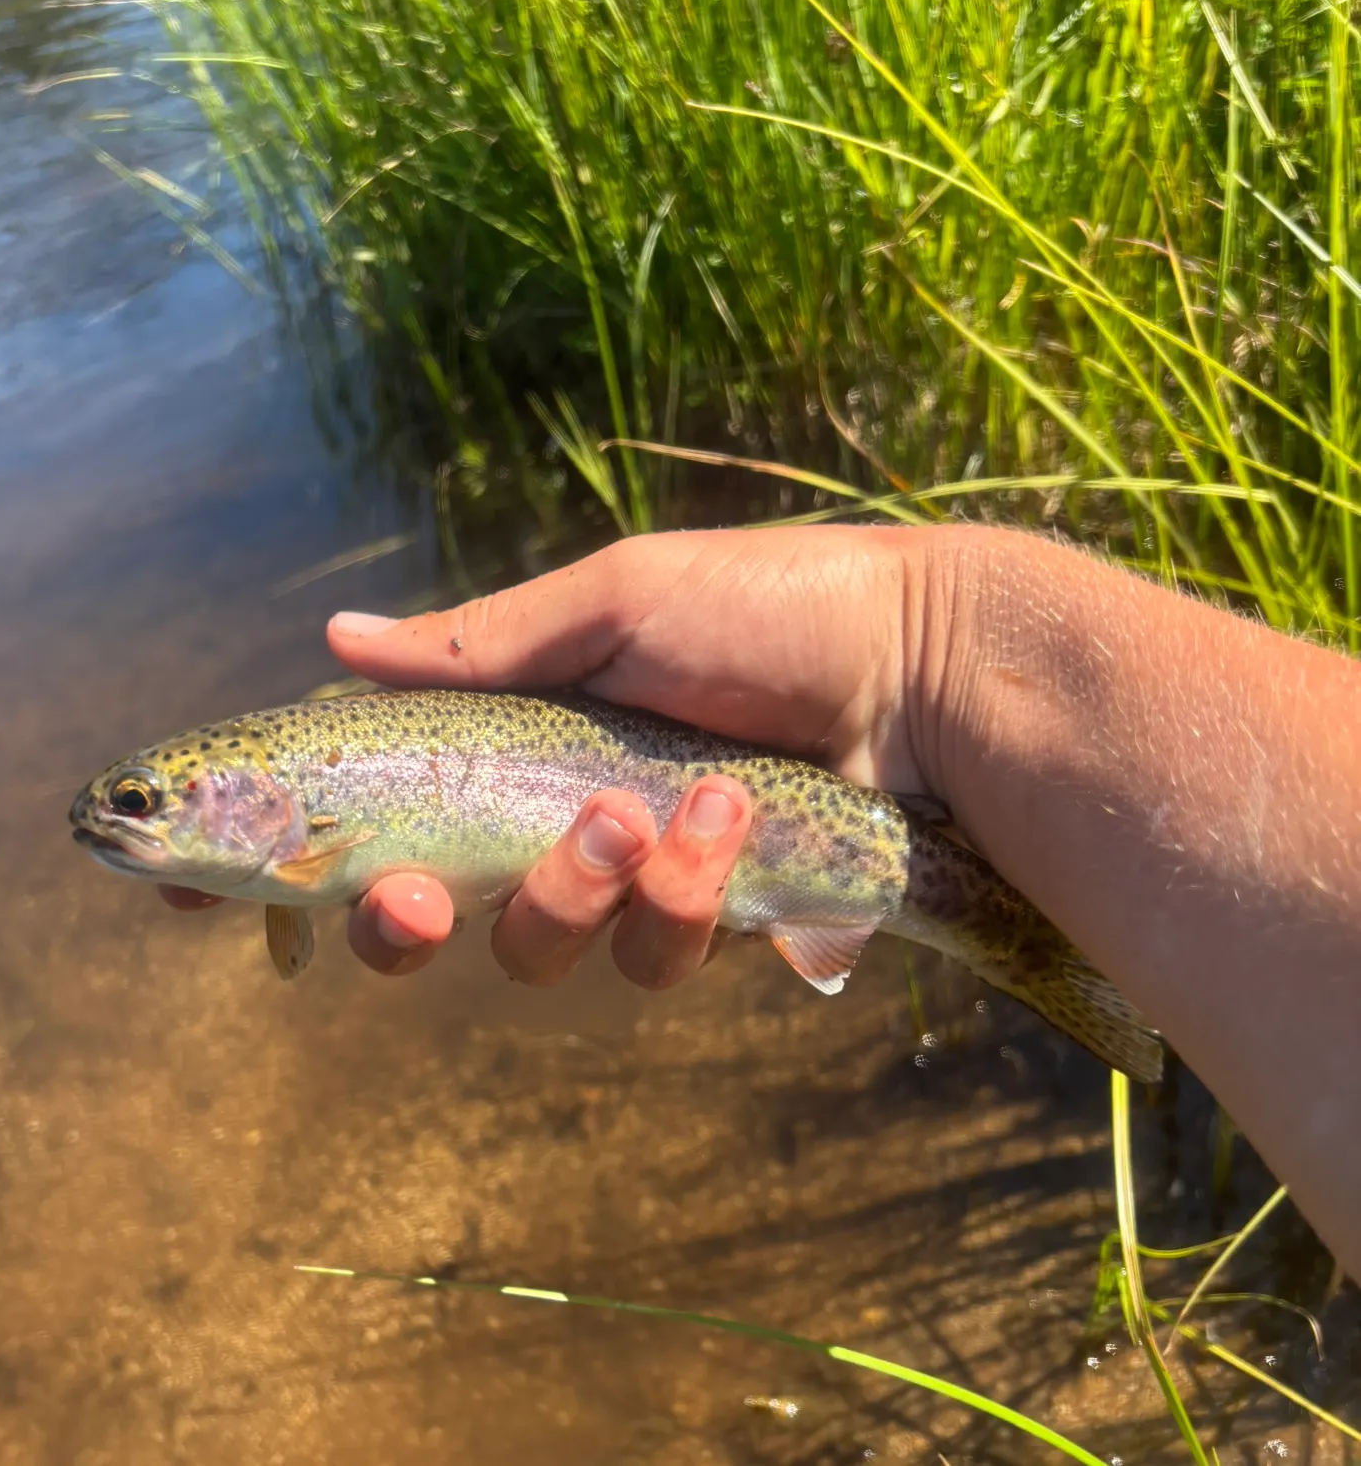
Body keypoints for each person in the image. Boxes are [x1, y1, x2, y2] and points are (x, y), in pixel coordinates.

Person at [162, 524, 1361, 1275]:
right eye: (141, 806)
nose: (127, 819)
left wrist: (918, 644)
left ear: (252, 797)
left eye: (145, 800)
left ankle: (1029, 946)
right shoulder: (291, 834)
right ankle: (1024, 940)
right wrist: (911, 647)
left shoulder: (306, 799)